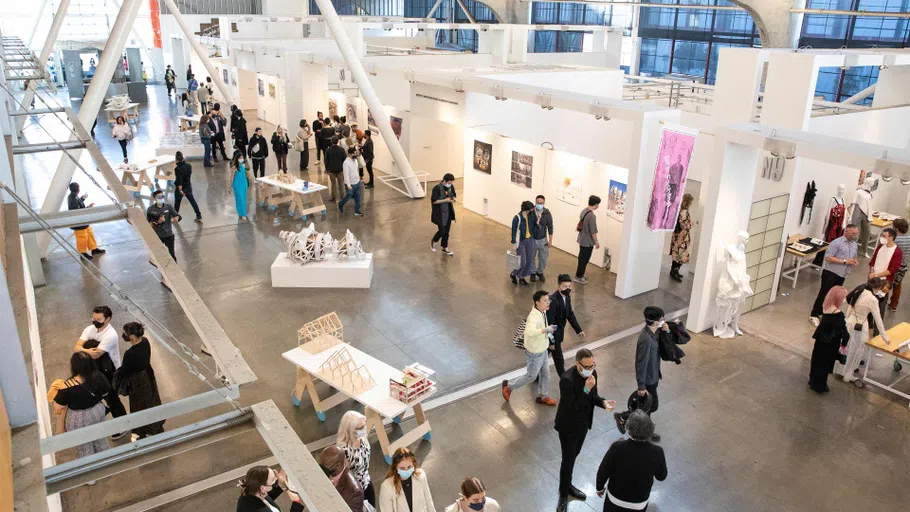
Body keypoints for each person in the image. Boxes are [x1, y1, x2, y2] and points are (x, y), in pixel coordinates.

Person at [555, 349, 616, 512]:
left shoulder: (593, 374)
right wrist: (586, 389)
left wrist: (603, 402)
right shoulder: (566, 380)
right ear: (578, 364)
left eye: (593, 365)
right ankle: (563, 493)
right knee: (568, 459)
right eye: (587, 366)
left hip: (583, 425)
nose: (591, 368)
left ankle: (567, 484)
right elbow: (572, 408)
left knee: (574, 455)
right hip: (568, 426)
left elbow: (593, 397)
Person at [595, 410, 668, 512]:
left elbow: (603, 470)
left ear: (628, 428)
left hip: (615, 500)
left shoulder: (617, 448)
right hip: (639, 504)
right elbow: (661, 476)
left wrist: (599, 488)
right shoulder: (657, 452)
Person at [73, 305, 128, 436]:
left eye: (98, 319)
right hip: (95, 369)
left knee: (112, 398)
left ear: (107, 319)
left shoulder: (111, 335)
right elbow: (76, 347)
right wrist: (86, 350)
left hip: (110, 371)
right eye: (93, 318)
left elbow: (96, 354)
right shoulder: (90, 329)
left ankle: (124, 424)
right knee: (99, 397)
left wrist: (84, 350)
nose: (94, 321)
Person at [47, 352, 112, 457]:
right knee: (101, 439)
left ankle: (90, 469)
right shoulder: (98, 376)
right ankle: (106, 461)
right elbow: (106, 392)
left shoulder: (67, 385)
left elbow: (57, 406)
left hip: (79, 418)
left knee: (84, 448)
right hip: (97, 411)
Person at [502, 290, 558, 406]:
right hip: (535, 353)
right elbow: (530, 332)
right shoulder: (533, 317)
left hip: (543, 350)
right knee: (531, 376)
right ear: (537, 302)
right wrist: (546, 330)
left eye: (549, 300)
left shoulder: (542, 312)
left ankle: (543, 396)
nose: (548, 303)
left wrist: (548, 334)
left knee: (546, 374)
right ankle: (509, 386)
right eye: (545, 301)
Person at [114, 322, 165, 439]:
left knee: (138, 405)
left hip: (137, 380)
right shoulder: (145, 341)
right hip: (148, 374)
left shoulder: (130, 353)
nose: (123, 335)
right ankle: (155, 426)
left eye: (125, 333)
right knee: (151, 400)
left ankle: (141, 430)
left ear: (132, 336)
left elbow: (125, 370)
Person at [835, 278, 890, 383]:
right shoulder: (873, 300)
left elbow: (848, 303)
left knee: (844, 347)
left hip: (849, 322)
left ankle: (840, 370)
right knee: (856, 351)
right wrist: (885, 337)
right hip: (861, 326)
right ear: (877, 288)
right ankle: (848, 374)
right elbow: (878, 320)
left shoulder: (860, 289)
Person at [810, 225, 859, 326]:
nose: (855, 235)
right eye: (853, 233)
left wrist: (854, 261)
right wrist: (845, 261)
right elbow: (828, 258)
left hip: (842, 274)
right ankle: (814, 314)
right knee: (824, 293)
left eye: (856, 233)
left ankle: (825, 312)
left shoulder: (854, 245)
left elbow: (854, 256)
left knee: (835, 295)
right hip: (831, 272)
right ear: (846, 232)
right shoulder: (836, 243)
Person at [808, 286, 849, 393]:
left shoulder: (825, 307)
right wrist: (845, 343)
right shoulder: (838, 314)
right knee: (825, 364)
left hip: (821, 338)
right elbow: (843, 332)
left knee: (817, 360)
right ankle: (820, 385)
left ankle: (813, 380)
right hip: (831, 342)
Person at [636, 306, 665, 442]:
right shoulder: (646, 339)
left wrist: (666, 331)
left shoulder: (654, 333)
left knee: (646, 407)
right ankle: (642, 429)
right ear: (654, 322)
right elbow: (641, 363)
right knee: (651, 406)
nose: (663, 321)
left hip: (653, 376)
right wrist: (641, 386)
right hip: (648, 380)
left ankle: (644, 428)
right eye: (661, 319)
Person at [547, 274, 585, 378]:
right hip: (554, 335)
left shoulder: (567, 297)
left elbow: (569, 314)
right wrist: (551, 341)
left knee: (544, 356)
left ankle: (535, 374)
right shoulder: (553, 300)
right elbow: (549, 323)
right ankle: (564, 379)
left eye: (569, 286)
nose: (567, 289)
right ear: (559, 287)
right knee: (559, 359)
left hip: (558, 333)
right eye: (565, 286)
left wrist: (578, 330)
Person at [379, 447, 436, 512]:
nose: (406, 470)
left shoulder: (421, 476)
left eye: (409, 467)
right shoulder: (386, 487)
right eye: (402, 468)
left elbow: (428, 500)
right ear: (395, 468)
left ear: (414, 464)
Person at [337, 411, 375, 506]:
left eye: (365, 425)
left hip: (367, 483)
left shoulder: (363, 439)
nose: (365, 428)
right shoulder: (344, 451)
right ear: (350, 430)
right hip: (354, 491)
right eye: (361, 428)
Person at [236, 466, 303, 512]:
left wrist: (280, 485)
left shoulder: (249, 494)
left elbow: (264, 500)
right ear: (262, 488)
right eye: (273, 479)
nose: (276, 479)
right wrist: (296, 503)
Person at [319, 445, 365, 512]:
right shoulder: (327, 473)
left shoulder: (354, 491)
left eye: (325, 464)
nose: (321, 467)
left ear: (338, 465)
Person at [67, 182, 106, 260]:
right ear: (77, 189)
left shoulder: (73, 196)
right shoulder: (73, 198)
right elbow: (78, 211)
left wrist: (83, 198)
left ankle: (94, 248)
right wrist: (88, 207)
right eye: (79, 188)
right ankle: (83, 254)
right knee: (82, 238)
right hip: (78, 224)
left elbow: (78, 205)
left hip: (83, 222)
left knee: (89, 234)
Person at [147, 189, 181, 261]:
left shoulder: (168, 207)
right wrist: (158, 221)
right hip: (158, 236)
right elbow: (149, 225)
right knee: (159, 255)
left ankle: (175, 270)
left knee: (172, 255)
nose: (161, 198)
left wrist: (176, 218)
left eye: (162, 196)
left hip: (169, 235)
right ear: (154, 199)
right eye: (159, 197)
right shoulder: (151, 210)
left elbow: (177, 216)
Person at [575, 195, 601, 284]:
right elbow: (593, 231)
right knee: (584, 259)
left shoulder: (584, 211)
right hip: (588, 242)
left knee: (581, 258)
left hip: (581, 239)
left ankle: (580, 275)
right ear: (596, 204)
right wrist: (596, 242)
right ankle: (578, 277)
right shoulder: (592, 216)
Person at [669, 193, 694, 282]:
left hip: (677, 236)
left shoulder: (679, 209)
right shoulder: (684, 212)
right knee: (681, 256)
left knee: (677, 255)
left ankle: (674, 271)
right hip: (681, 238)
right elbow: (685, 226)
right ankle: (674, 272)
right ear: (688, 202)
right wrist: (692, 224)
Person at [510, 200, 536, 286]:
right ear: (526, 209)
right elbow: (513, 231)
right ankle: (514, 274)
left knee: (529, 260)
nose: (531, 211)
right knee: (522, 262)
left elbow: (535, 226)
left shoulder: (531, 216)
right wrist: (513, 242)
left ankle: (521, 276)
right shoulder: (517, 218)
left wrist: (537, 219)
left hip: (530, 240)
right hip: (521, 241)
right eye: (530, 209)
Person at [529, 194, 553, 283]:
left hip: (543, 239)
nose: (539, 205)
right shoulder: (531, 212)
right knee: (531, 257)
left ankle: (540, 272)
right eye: (538, 203)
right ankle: (532, 272)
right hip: (532, 239)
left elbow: (550, 227)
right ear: (535, 202)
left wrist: (550, 240)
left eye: (541, 203)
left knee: (543, 258)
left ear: (544, 203)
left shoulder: (547, 213)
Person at [430, 173, 456, 256]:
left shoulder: (451, 186)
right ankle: (434, 241)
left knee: (447, 232)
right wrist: (445, 200)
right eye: (449, 183)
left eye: (451, 183)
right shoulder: (436, 188)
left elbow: (453, 195)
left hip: (449, 212)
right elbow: (434, 201)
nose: (450, 184)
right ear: (444, 181)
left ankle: (445, 247)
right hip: (440, 214)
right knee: (442, 231)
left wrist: (453, 198)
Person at [173, 151, 202, 223]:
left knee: (177, 203)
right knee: (193, 201)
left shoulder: (177, 169)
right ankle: (199, 215)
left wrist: (180, 190)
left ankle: (175, 216)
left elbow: (179, 181)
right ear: (183, 158)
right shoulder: (189, 165)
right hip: (188, 187)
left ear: (176, 159)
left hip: (181, 189)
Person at [888, 218, 910, 312]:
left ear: (896, 228)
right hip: (903, 266)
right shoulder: (909, 238)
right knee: (898, 286)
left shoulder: (895, 239)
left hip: (892, 266)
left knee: (886, 284)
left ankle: (881, 302)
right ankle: (893, 305)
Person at [338, 147, 364, 217]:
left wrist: (358, 177)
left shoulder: (355, 160)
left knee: (358, 198)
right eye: (354, 153)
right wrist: (348, 185)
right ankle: (340, 204)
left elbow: (356, 170)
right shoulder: (346, 163)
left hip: (357, 183)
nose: (355, 154)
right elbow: (346, 175)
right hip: (350, 185)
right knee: (348, 197)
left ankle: (357, 211)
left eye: (356, 153)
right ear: (349, 154)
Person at [229, 151, 250, 220]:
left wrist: (247, 175)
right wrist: (230, 187)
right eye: (240, 158)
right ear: (237, 159)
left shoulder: (242, 166)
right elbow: (231, 178)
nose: (242, 159)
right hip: (237, 185)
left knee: (243, 199)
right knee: (239, 199)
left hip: (244, 184)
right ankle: (242, 213)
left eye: (242, 158)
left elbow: (245, 174)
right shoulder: (234, 168)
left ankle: (243, 213)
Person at [325, 136, 346, 203]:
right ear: (338, 141)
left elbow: (326, 160)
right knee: (341, 184)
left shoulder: (328, 150)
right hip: (340, 170)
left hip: (331, 170)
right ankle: (342, 197)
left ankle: (333, 198)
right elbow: (344, 159)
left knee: (333, 184)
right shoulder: (341, 149)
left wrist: (327, 169)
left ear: (331, 141)